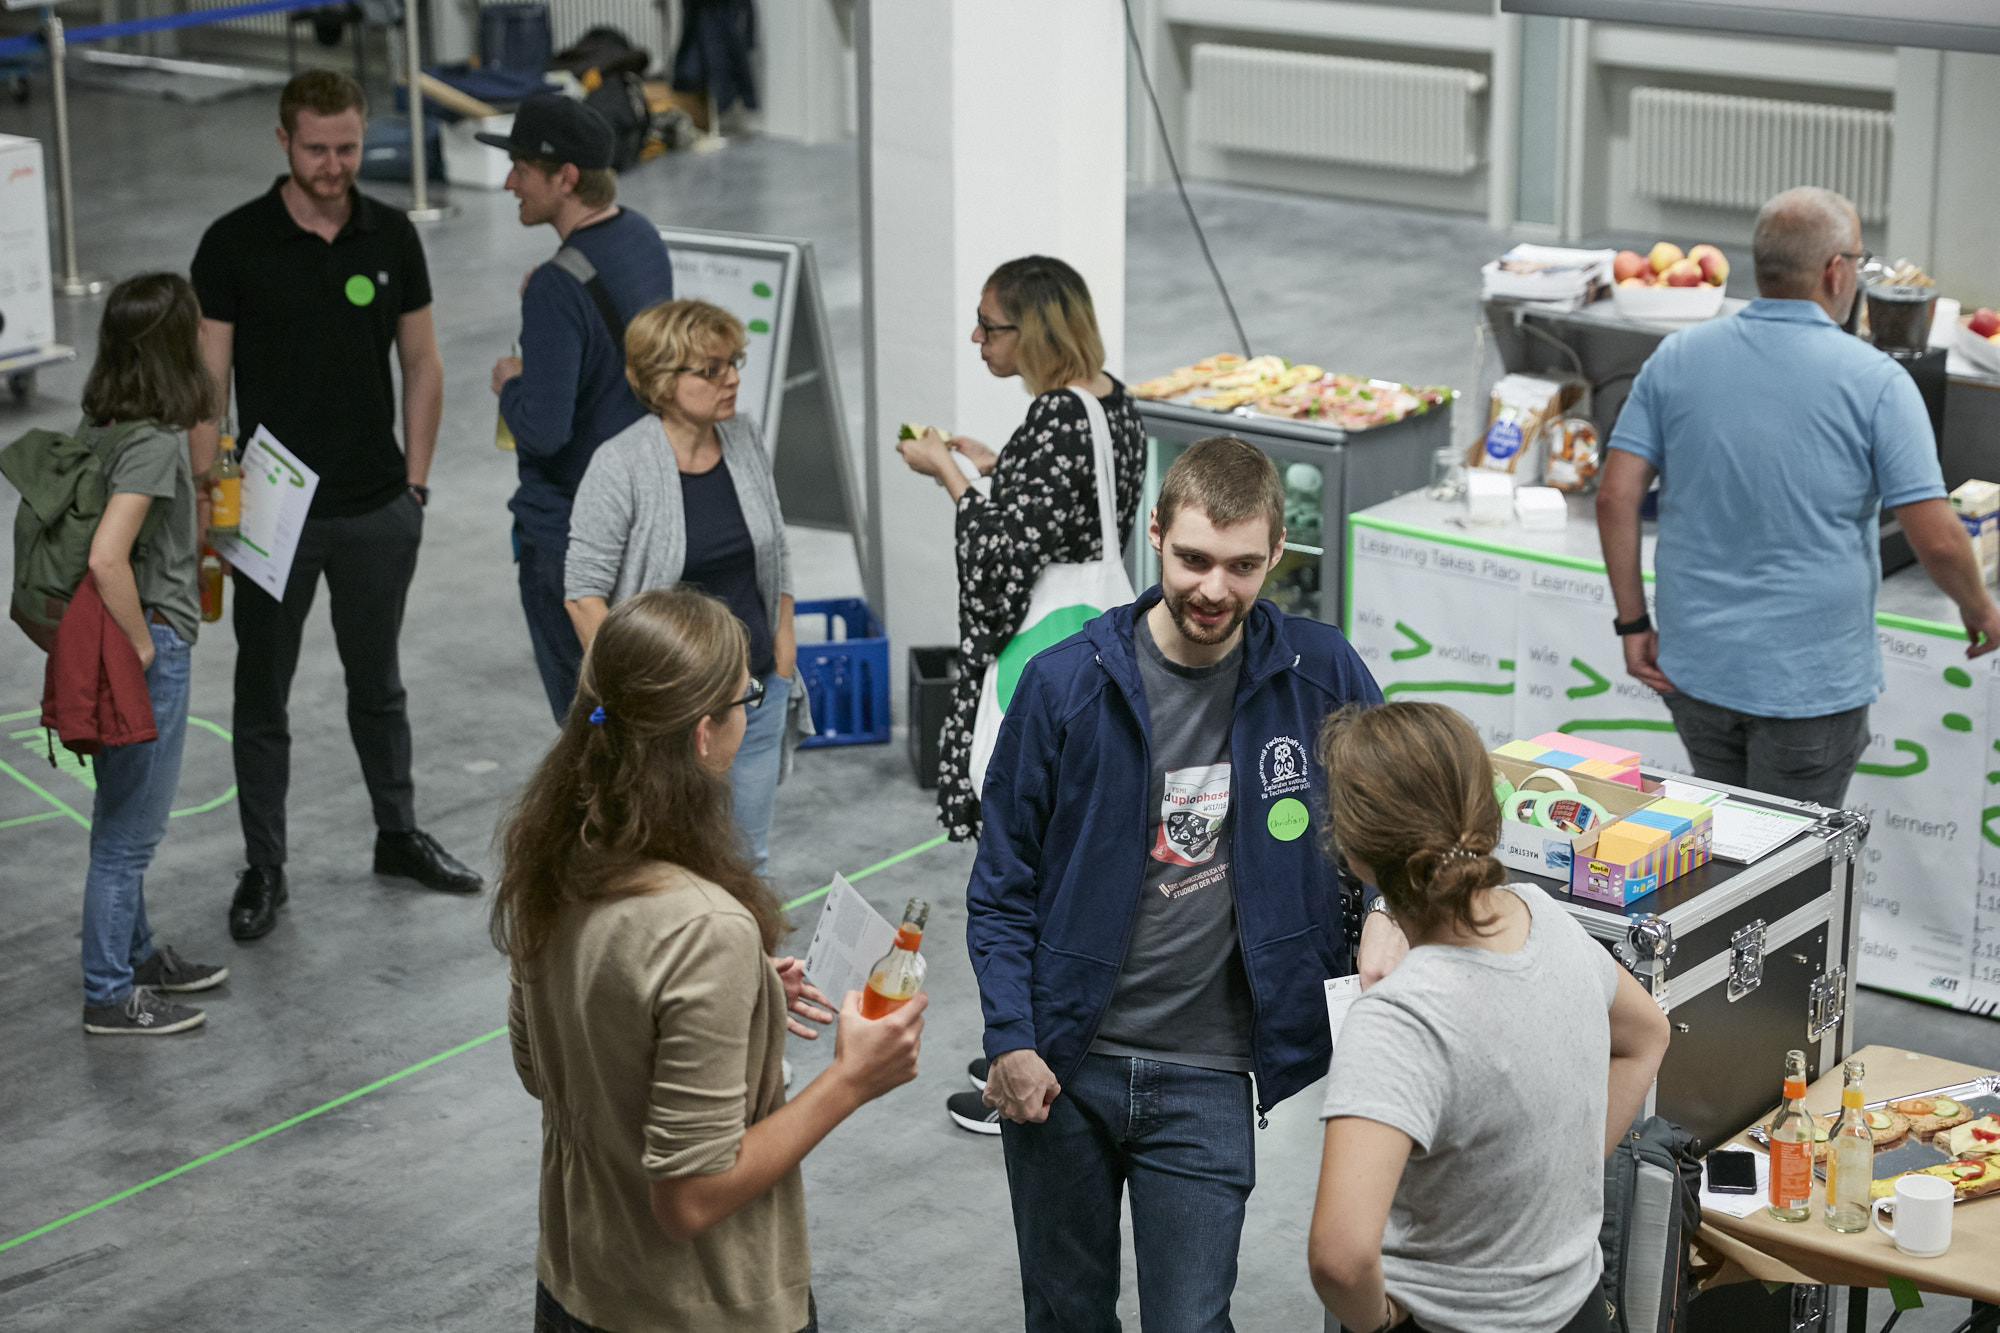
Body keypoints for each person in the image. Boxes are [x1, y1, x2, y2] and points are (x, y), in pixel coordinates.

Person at [965, 435, 1391, 1331]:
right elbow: (1002, 882)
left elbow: (1401, 813)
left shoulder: (1321, 672)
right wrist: (1010, 1035)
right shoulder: (1064, 685)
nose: (1213, 589)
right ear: (1153, 534)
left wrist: (1386, 907)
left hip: (1210, 1067)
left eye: (1243, 566)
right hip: (1067, 1060)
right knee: (1067, 1314)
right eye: (1192, 558)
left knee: (1193, 1321)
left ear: (1278, 553)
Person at [494, 586, 925, 1333]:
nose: (749, 715)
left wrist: (744, 1000)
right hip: (694, 1308)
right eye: (745, 699)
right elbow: (689, 1196)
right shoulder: (703, 928)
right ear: (703, 735)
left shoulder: (558, 857)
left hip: (577, 1282)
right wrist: (852, 1078)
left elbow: (547, 1069)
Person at [190, 70, 481, 943]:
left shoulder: (390, 233)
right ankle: (264, 863)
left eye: (347, 147)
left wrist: (417, 484)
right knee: (262, 692)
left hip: (375, 506)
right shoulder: (234, 244)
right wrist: (214, 504)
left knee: (378, 685)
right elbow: (208, 386)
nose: (332, 164)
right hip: (273, 513)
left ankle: (397, 834)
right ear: (283, 140)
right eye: (316, 148)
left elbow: (423, 363)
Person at [1598, 185, 2000, 807]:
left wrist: (1631, 622)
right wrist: (1979, 610)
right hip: (1809, 687)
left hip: (1695, 668)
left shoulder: (1677, 356)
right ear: (1835, 272)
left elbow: (1615, 497)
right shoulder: (1876, 381)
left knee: (1720, 849)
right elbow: (1937, 535)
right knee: (1790, 876)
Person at [1307, 701, 1670, 1333]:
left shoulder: (1400, 1018)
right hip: (1578, 1312)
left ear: (1355, 850)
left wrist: (1380, 1321)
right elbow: (1647, 1035)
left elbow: (1340, 1261)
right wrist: (1565, 1178)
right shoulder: (1545, 917)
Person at [894, 255, 1146, 847]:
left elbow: (1004, 557)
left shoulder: (1056, 416)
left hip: (1043, 652)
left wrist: (949, 474)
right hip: (1091, 635)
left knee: (1027, 832)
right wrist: (1002, 466)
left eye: (989, 325)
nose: (977, 338)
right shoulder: (1111, 399)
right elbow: (1074, 508)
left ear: (1032, 332)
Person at [565, 299, 797, 878]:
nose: (733, 378)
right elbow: (582, 593)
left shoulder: (742, 436)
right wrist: (638, 689)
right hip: (670, 714)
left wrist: (784, 652)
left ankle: (748, 968)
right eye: (712, 368)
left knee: (749, 860)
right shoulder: (620, 465)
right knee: (669, 862)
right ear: (664, 383)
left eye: (735, 362)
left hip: (753, 693)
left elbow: (776, 547)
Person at [67, 274, 231, 1035]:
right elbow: (108, 556)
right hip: (147, 646)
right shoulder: (154, 444)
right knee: (128, 838)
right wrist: (143, 643)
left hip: (111, 645)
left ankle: (132, 954)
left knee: (119, 812)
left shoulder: (99, 425)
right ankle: (109, 991)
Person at [484, 93, 675, 723]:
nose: (511, 182)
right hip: (640, 517)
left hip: (567, 533)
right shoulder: (642, 237)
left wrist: (511, 381)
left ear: (565, 177)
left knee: (589, 728)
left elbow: (542, 429)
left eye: (522, 168)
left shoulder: (555, 287)